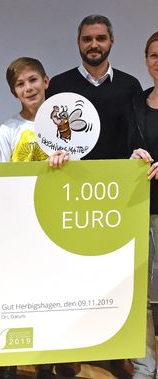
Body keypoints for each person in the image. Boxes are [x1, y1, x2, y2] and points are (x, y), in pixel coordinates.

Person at [46, 14, 154, 379]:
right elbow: (49, 137)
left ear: (111, 42)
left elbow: (135, 135)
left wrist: (139, 154)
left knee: (115, 277)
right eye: (88, 38)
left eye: (101, 38)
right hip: (70, 195)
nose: (94, 44)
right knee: (71, 275)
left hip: (114, 198)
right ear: (79, 42)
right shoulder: (59, 84)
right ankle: (72, 351)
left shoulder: (129, 85)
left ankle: (114, 351)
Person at [0, 57, 69, 379]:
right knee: (20, 295)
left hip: (57, 222)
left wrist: (67, 160)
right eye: (20, 84)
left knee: (53, 294)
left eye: (33, 80)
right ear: (14, 93)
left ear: (47, 81)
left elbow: (80, 172)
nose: (28, 88)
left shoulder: (64, 126)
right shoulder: (9, 129)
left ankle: (49, 363)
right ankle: (14, 359)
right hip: (21, 226)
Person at [130, 30, 158, 379]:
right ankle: (144, 365)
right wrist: (133, 155)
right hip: (140, 209)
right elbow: (128, 145)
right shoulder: (138, 102)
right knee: (141, 296)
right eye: (153, 55)